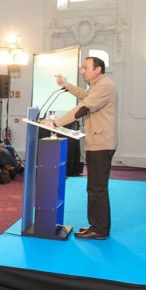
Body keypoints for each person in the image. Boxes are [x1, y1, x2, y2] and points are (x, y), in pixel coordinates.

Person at [42, 57, 117, 240]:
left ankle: (99, 229)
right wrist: (66, 85)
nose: (82, 71)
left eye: (85, 68)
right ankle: (97, 225)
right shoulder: (97, 86)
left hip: (101, 144)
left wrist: (56, 122)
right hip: (97, 143)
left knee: (96, 188)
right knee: (94, 187)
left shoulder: (105, 86)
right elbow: (84, 96)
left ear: (97, 69)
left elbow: (83, 107)